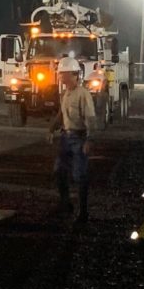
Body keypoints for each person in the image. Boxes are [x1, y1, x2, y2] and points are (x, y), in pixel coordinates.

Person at [49, 55, 96, 222]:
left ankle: (83, 212)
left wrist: (89, 140)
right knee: (59, 172)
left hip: (79, 138)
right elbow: (62, 113)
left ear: (72, 74)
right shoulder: (66, 93)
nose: (60, 76)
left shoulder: (83, 94)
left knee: (79, 176)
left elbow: (90, 119)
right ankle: (65, 204)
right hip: (66, 137)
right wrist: (52, 128)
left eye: (62, 73)